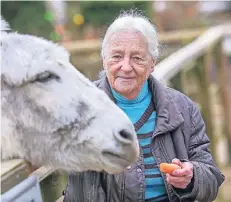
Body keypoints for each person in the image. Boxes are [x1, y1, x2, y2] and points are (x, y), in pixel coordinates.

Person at [63, 10, 225, 202]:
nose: (125, 66)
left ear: (152, 64)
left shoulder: (182, 108)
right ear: (104, 61)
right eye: (116, 56)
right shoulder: (79, 108)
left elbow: (211, 179)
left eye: (137, 58)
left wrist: (192, 176)